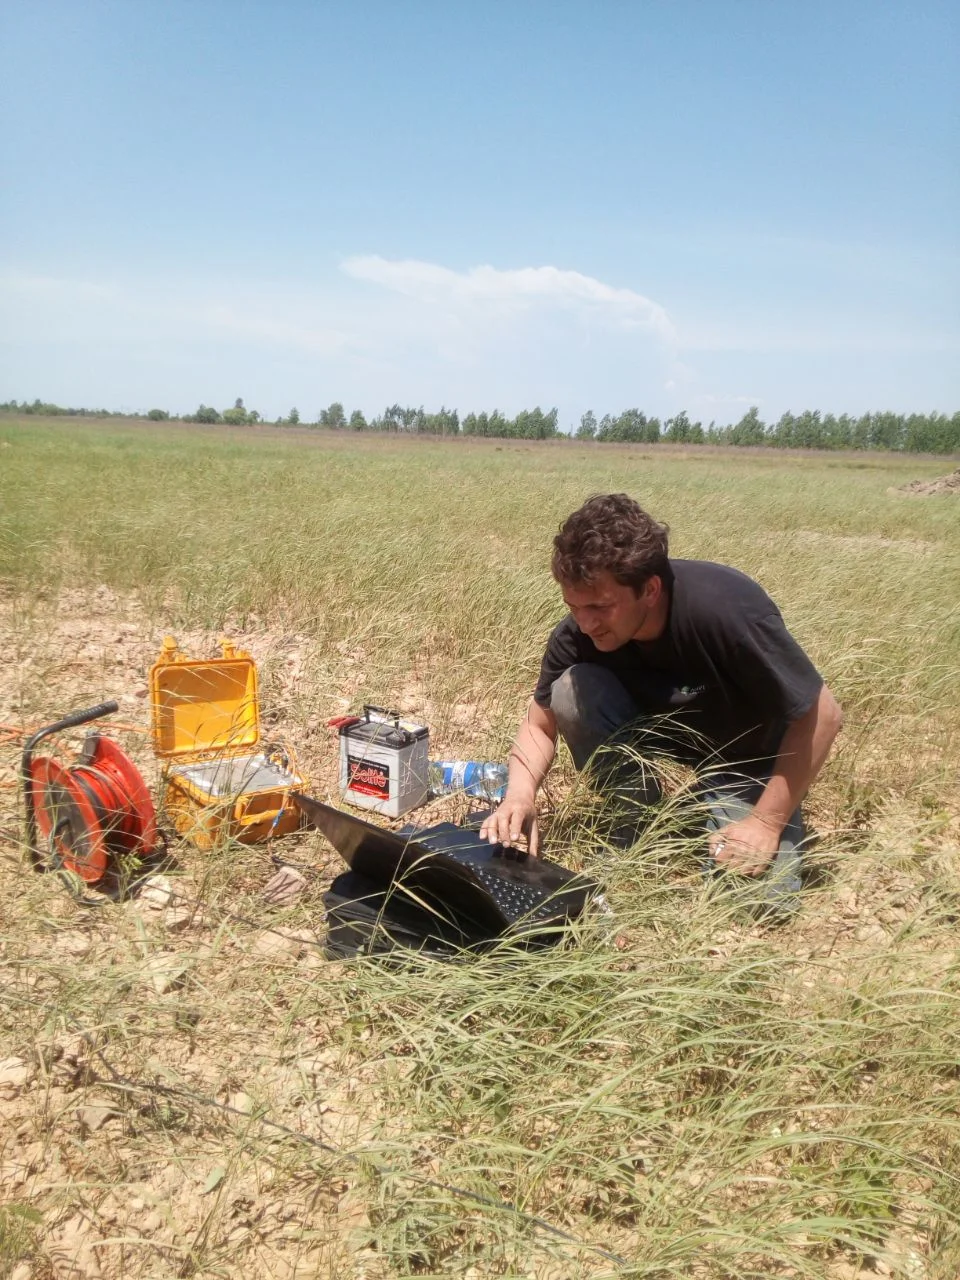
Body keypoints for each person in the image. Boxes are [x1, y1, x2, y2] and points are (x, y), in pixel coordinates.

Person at [480, 493, 843, 912]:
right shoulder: (577, 634)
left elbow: (823, 714)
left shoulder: (726, 611)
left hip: (744, 756)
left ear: (649, 589)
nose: (586, 623)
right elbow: (539, 724)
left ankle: (716, 804)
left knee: (758, 900)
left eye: (600, 606)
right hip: (660, 736)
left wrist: (765, 822)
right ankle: (636, 812)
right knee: (571, 690)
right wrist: (519, 796)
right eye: (573, 606)